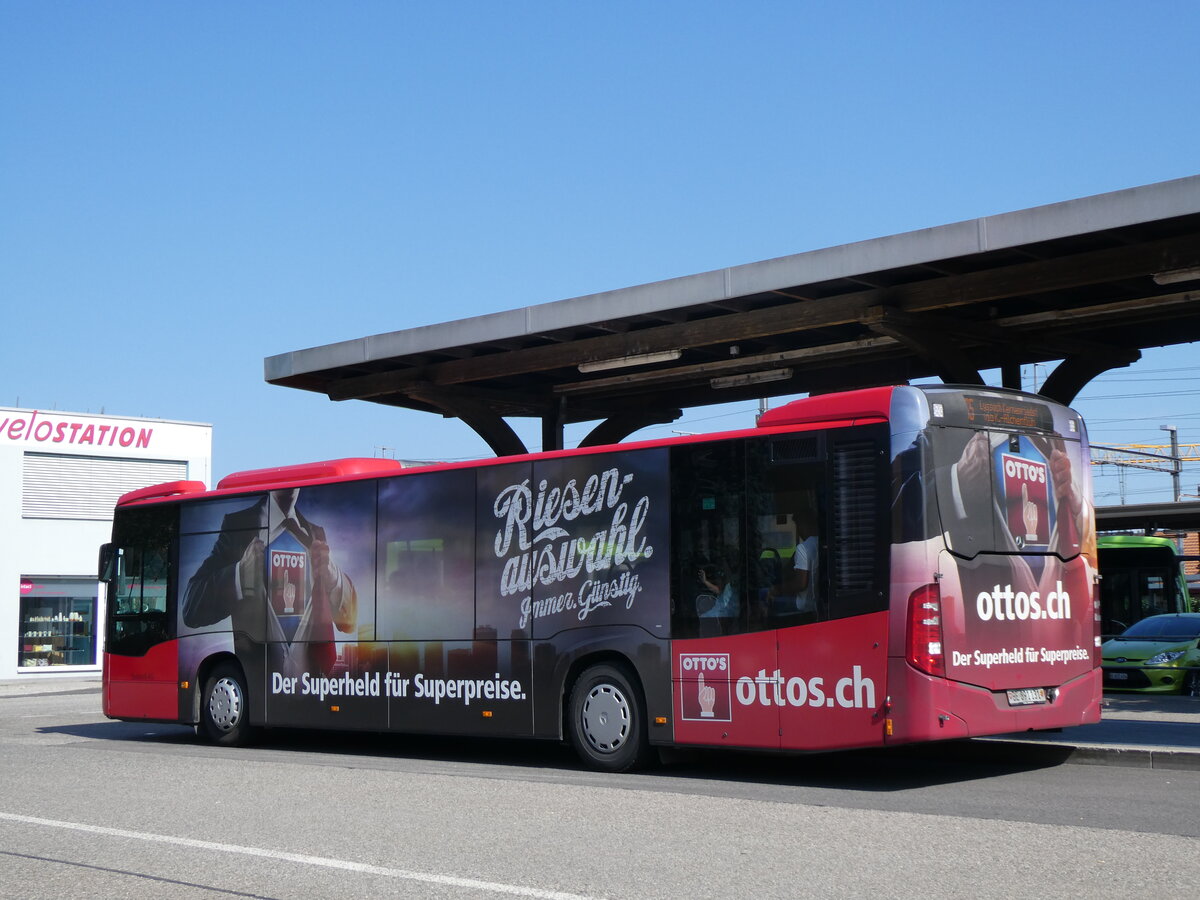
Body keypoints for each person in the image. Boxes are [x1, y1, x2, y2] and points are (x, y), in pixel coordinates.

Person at [182, 487, 357, 675]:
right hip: (259, 685)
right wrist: (240, 573)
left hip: (314, 686)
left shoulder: (315, 533)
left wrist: (331, 573)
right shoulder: (238, 526)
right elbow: (191, 609)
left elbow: (349, 621)